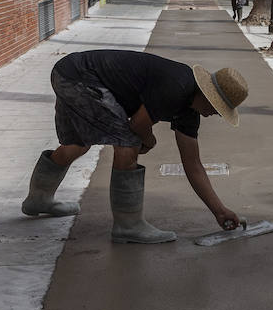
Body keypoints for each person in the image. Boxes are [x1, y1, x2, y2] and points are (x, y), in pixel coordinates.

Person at [21, 49, 249, 244]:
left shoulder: (190, 112)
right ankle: (128, 225)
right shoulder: (177, 85)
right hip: (81, 77)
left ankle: (38, 200)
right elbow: (138, 124)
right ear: (207, 94)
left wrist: (219, 210)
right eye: (216, 107)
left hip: (67, 72)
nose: (214, 114)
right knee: (128, 142)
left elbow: (193, 165)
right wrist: (149, 140)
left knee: (77, 144)